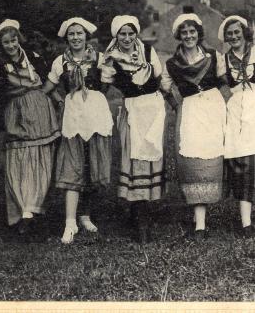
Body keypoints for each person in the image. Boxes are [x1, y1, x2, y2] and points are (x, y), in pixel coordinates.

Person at [42, 17, 113, 244]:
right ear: (66, 38)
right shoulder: (59, 62)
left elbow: (107, 84)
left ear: (86, 36)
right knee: (73, 166)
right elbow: (48, 88)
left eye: (79, 33)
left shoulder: (99, 58)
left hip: (95, 114)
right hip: (73, 117)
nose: (75, 37)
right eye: (71, 34)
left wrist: (99, 73)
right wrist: (61, 101)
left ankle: (85, 215)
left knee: (92, 165)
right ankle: (69, 222)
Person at [101, 15, 166, 243]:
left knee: (150, 159)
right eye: (122, 34)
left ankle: (144, 209)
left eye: (131, 33)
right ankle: (140, 216)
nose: (127, 38)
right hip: (132, 111)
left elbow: (160, 79)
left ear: (136, 34)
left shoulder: (148, 51)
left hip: (153, 109)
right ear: (116, 35)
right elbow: (103, 88)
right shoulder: (111, 58)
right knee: (134, 158)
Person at [0, 19, 60, 237]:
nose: (11, 45)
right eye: (6, 42)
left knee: (41, 160)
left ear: (18, 39)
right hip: (17, 115)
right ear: (1, 44)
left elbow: (50, 83)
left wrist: (60, 101)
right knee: (18, 163)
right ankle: (22, 211)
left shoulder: (35, 59)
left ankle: (36, 210)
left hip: (40, 111)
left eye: (13, 40)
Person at [162, 13, 227, 240]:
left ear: (199, 34)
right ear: (179, 36)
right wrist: (176, 105)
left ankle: (203, 217)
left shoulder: (212, 55)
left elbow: (225, 80)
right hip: (190, 111)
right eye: (184, 32)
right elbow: (165, 87)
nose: (189, 36)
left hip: (212, 108)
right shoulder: (172, 63)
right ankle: (199, 222)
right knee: (192, 163)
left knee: (211, 161)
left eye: (192, 31)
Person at [219, 15, 255, 237]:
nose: (233, 36)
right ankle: (245, 223)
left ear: (244, 32)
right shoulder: (223, 59)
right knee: (243, 164)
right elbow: (221, 86)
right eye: (229, 34)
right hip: (236, 111)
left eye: (236, 32)